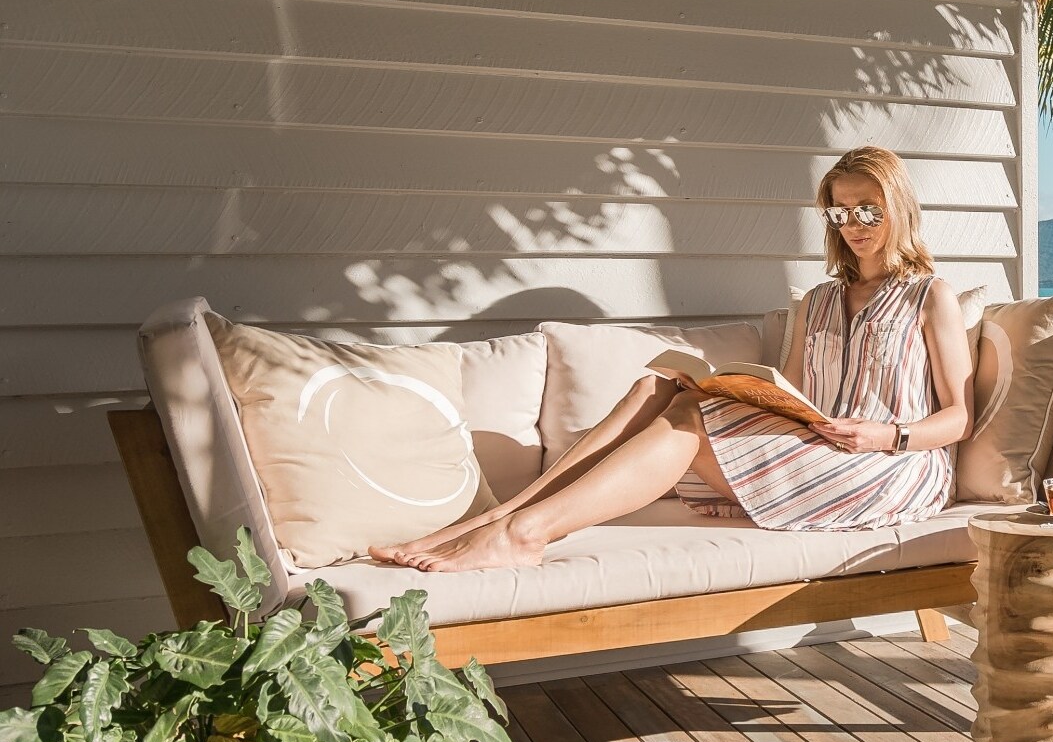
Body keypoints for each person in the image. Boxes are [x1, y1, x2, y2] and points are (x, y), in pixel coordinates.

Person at [371, 146, 974, 572]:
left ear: (898, 207)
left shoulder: (930, 296)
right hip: (817, 446)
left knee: (687, 418)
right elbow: (791, 397)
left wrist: (883, 437)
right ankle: (483, 525)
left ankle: (523, 534)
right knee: (657, 387)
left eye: (868, 208)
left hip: (890, 469)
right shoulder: (817, 300)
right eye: (840, 212)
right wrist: (733, 389)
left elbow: (957, 419)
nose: (854, 225)